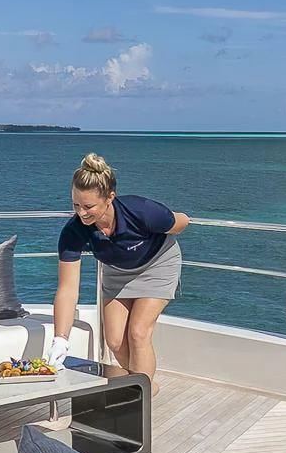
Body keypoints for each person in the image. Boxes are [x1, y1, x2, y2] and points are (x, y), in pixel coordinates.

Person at [46, 153, 187, 388]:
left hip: (158, 264)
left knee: (138, 332)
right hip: (117, 271)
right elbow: (68, 289)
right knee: (114, 339)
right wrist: (60, 340)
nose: (81, 213)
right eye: (76, 205)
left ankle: (141, 396)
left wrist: (167, 222)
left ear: (110, 197)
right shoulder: (73, 231)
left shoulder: (140, 211)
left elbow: (181, 222)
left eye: (89, 206)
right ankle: (144, 384)